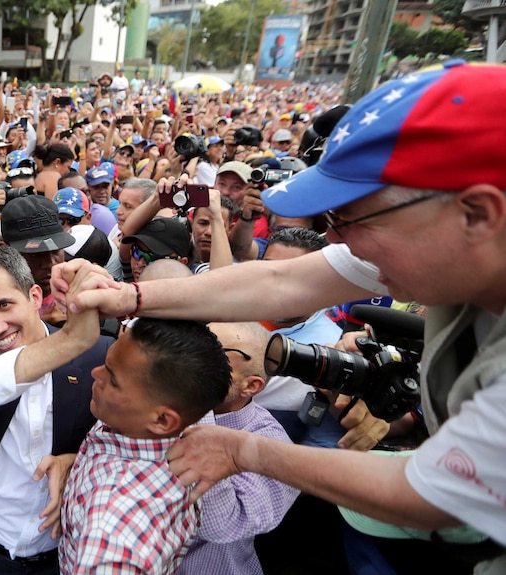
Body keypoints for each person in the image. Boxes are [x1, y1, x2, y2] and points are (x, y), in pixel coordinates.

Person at [52, 62, 506, 572]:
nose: (332, 239)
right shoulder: (435, 241)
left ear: (478, 215)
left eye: (348, 219)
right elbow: (277, 282)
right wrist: (128, 298)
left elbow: (434, 492)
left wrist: (246, 452)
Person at [0, 245, 114, 574]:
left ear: (33, 296)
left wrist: (75, 461)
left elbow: (129, 441)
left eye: (4, 305)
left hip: (64, 554)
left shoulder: (98, 353)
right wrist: (64, 343)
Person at [59, 317, 230, 574]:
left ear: (162, 420)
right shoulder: (133, 424)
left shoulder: (114, 530)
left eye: (113, 379)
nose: (96, 373)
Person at [179, 321, 299, 575]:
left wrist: (193, 406)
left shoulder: (274, 446)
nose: (192, 360)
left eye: (217, 355)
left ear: (251, 386)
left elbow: (220, 526)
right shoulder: (154, 401)